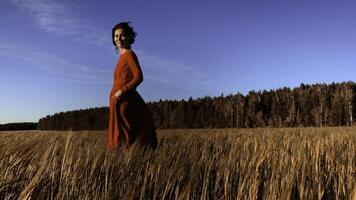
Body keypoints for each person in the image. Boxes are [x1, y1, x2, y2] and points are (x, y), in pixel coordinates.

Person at [107, 22, 158, 151]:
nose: (118, 38)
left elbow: (139, 77)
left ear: (129, 37)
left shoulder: (129, 54)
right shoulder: (122, 56)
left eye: (122, 35)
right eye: (116, 36)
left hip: (124, 100)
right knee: (121, 136)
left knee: (126, 136)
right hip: (117, 101)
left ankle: (129, 161)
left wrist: (121, 92)